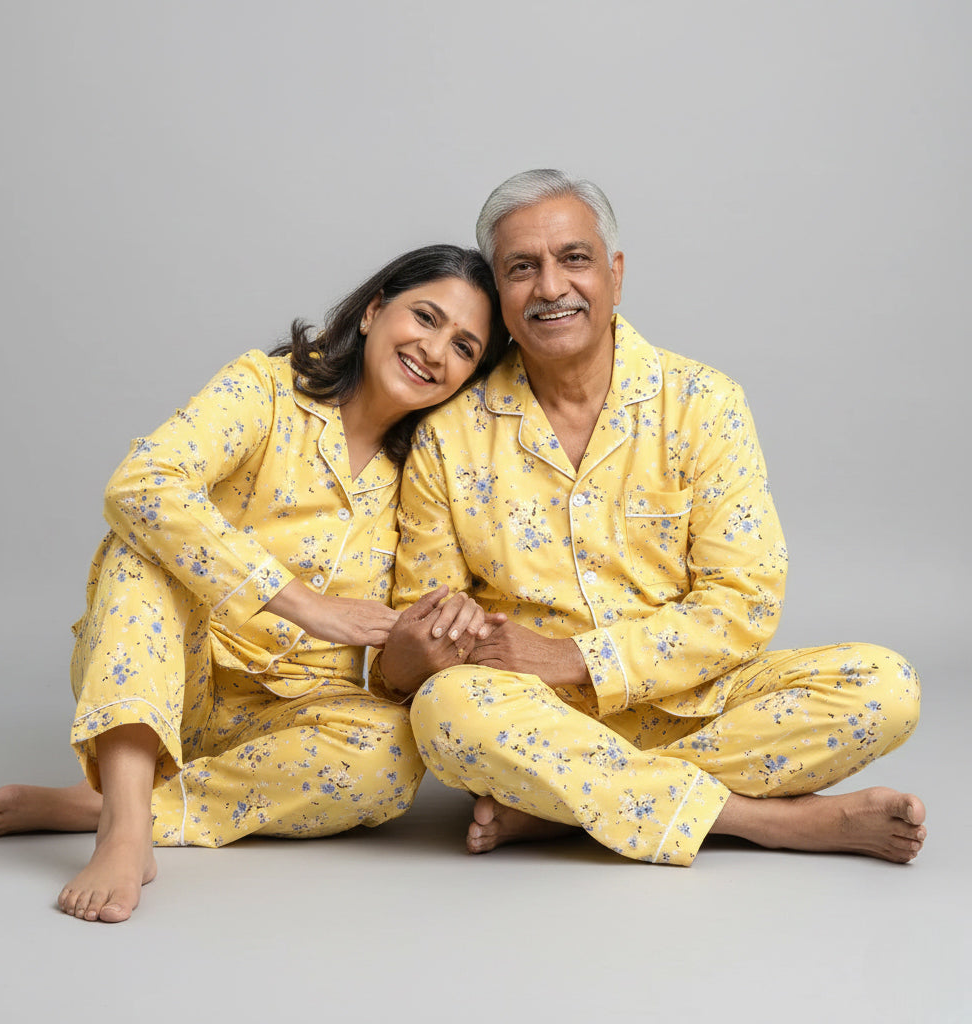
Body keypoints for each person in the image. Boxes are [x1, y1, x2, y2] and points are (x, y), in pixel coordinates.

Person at [374, 170, 926, 866]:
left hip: (698, 699)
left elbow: (743, 603)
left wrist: (575, 659)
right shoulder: (449, 433)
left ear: (615, 273)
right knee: (446, 711)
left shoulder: (704, 401)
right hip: (533, 717)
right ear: (500, 294)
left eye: (573, 258)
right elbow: (430, 622)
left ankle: (562, 803)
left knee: (885, 688)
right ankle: (765, 822)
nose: (551, 288)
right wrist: (426, 647)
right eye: (522, 268)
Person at [0, 244, 510, 921]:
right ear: (373, 312)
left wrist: (425, 639)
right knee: (143, 551)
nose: (434, 351)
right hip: (170, 680)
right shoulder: (266, 388)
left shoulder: (429, 476)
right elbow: (141, 484)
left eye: (463, 347)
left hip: (292, 717)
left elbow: (394, 673)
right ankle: (125, 832)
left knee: (394, 756)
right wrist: (305, 605)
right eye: (425, 317)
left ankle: (120, 801)